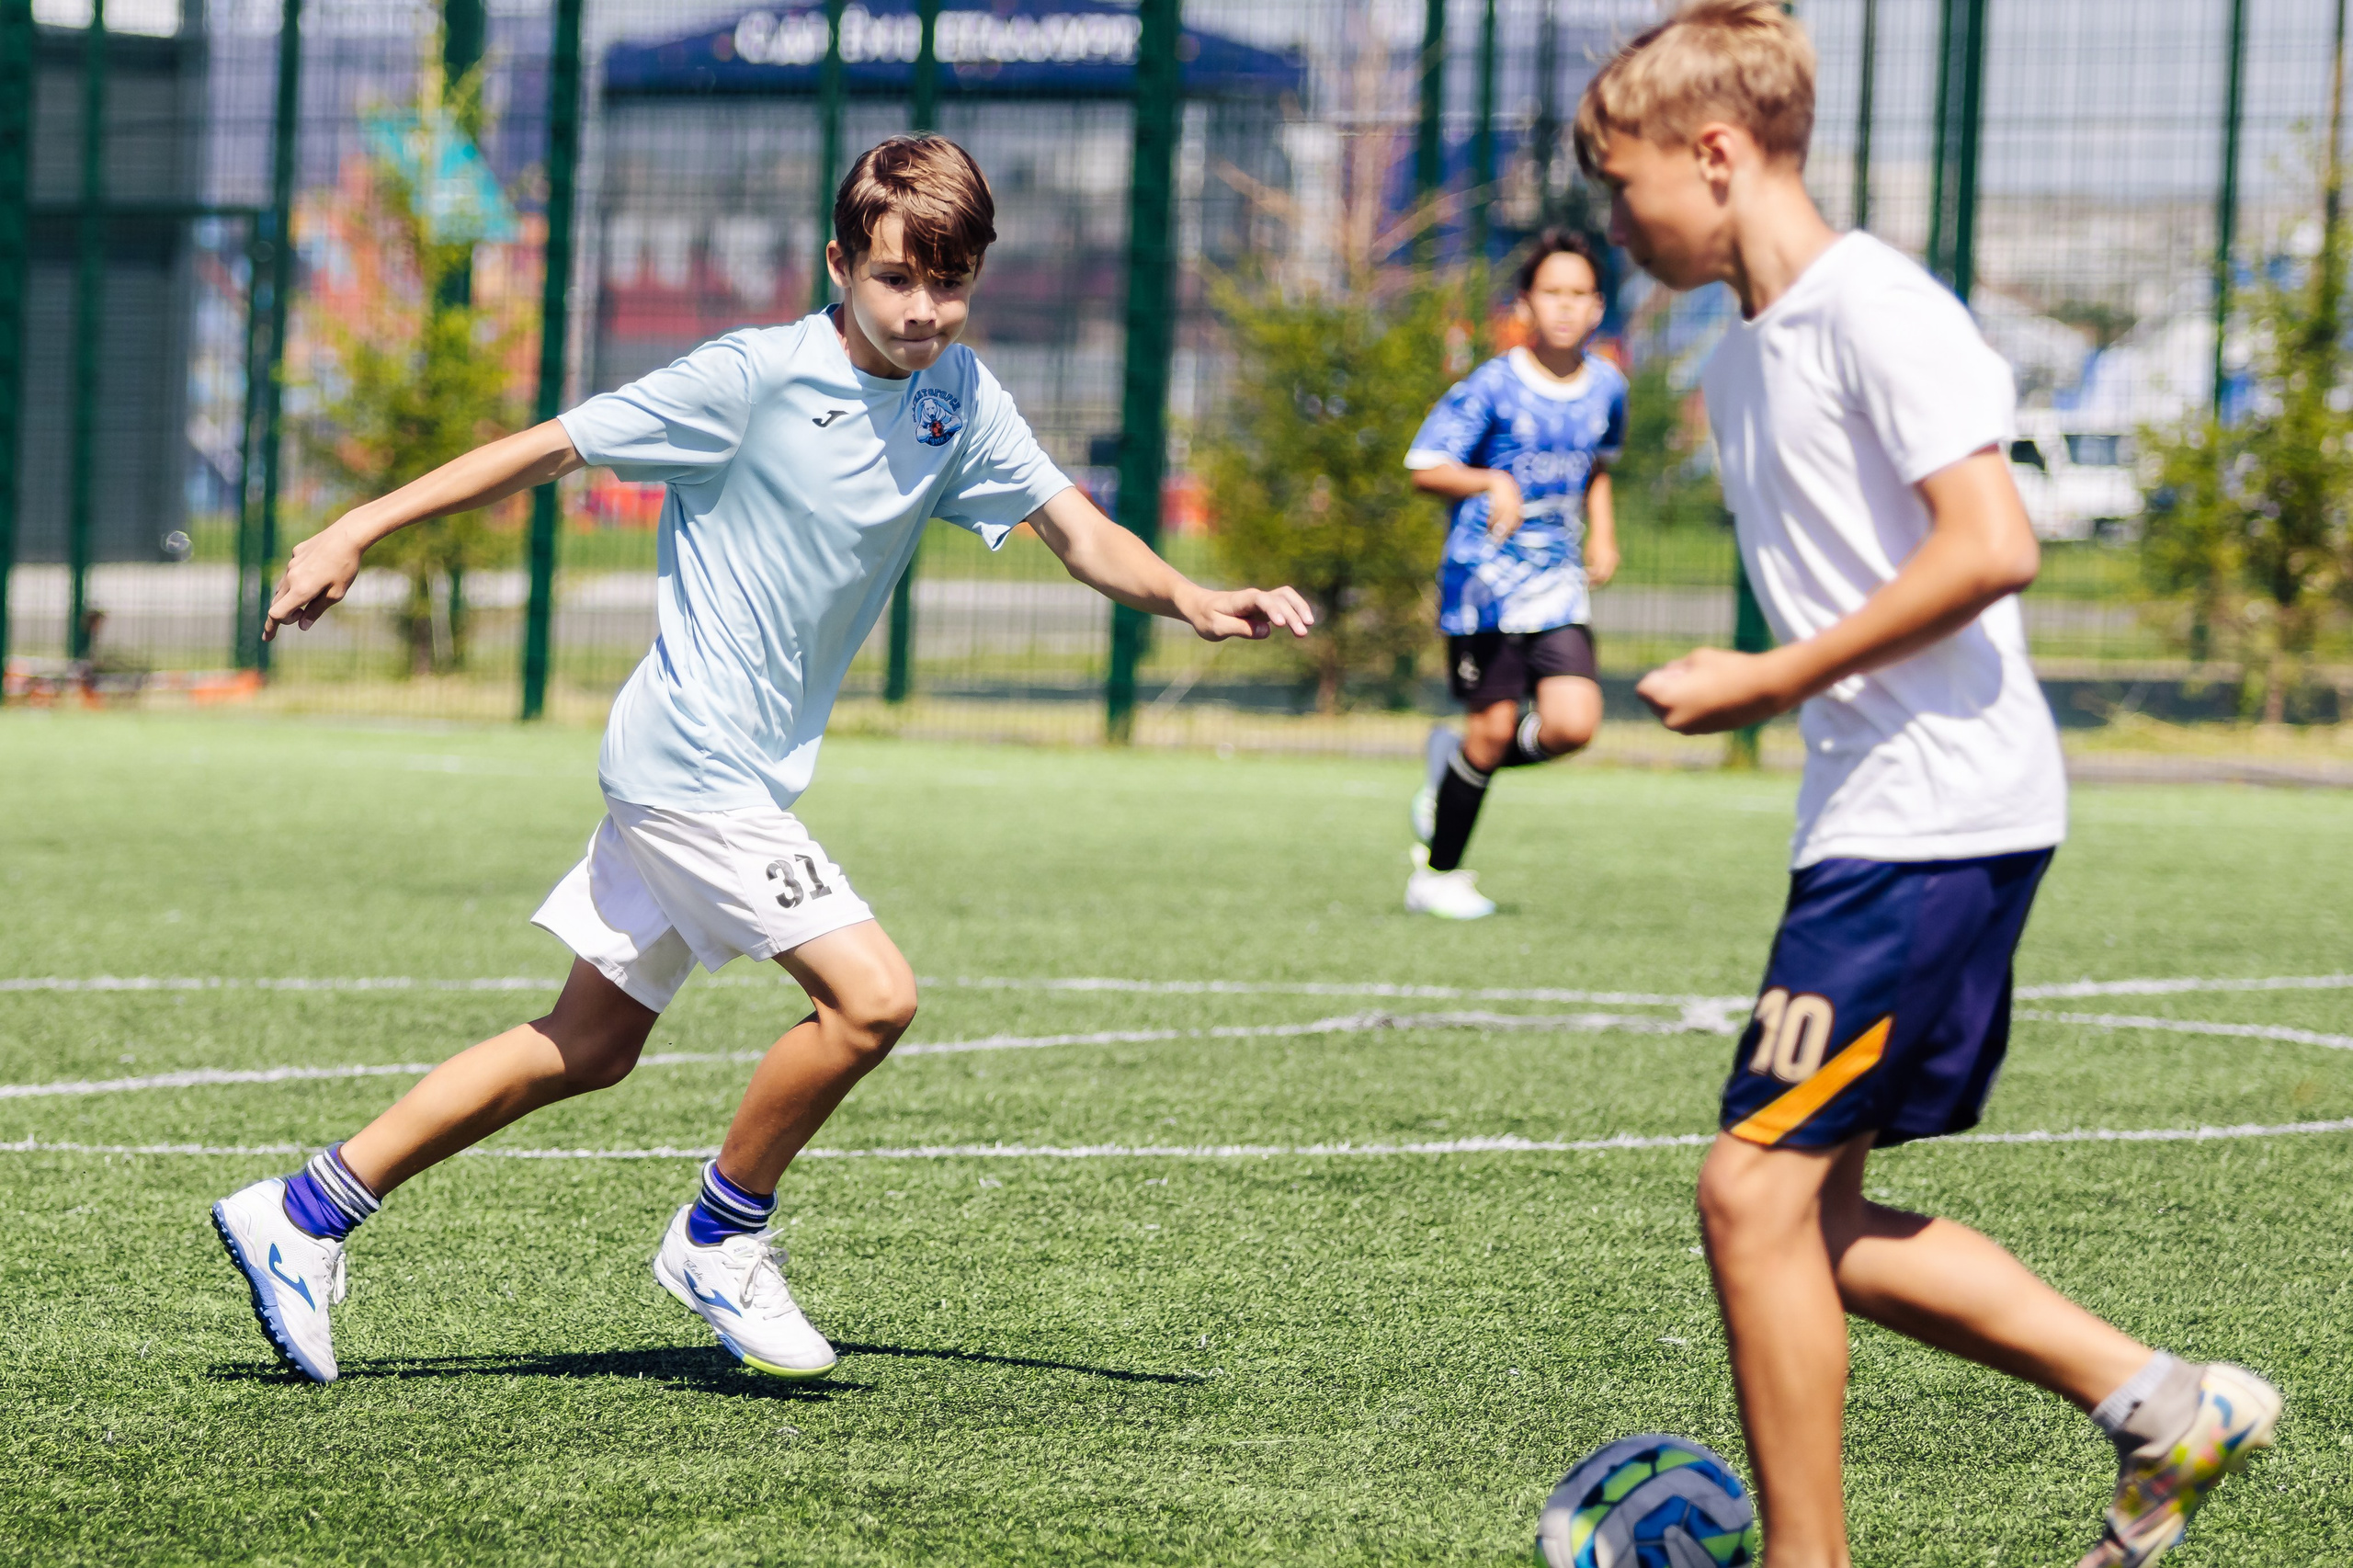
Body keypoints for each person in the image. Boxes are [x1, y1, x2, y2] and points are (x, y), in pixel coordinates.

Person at [209, 135, 1313, 1386]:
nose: (923, 309)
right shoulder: (749, 377)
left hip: (716, 771)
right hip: (693, 769)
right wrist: (355, 527)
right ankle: (720, 1236)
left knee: (590, 1042)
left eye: (950, 284)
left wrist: (1194, 596)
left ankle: (302, 1214)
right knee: (872, 997)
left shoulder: (959, 397)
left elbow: (1076, 530)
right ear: (839, 263)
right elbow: (552, 445)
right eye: (897, 279)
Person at [1579, 6, 2279, 1567]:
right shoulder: (1743, 356)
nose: (1616, 222)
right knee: (1808, 1225)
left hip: (1935, 813)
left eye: (1625, 184)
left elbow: (1994, 544)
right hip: (1889, 816)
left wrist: (1767, 678)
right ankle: (2162, 1404)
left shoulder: (1876, 309)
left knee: (1749, 1199)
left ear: (1715, 153)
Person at [1401, 229, 1627, 920]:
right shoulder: (1494, 385)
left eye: (1579, 294)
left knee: (1573, 725)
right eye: (1551, 292)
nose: (1565, 306)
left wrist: (1605, 528)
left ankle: (1457, 764)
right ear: (1526, 303)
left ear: (1597, 308)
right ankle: (1437, 876)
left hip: (1557, 585)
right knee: (1494, 728)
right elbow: (1424, 466)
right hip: (1485, 585)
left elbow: (1599, 462)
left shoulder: (1609, 386)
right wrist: (1488, 481)